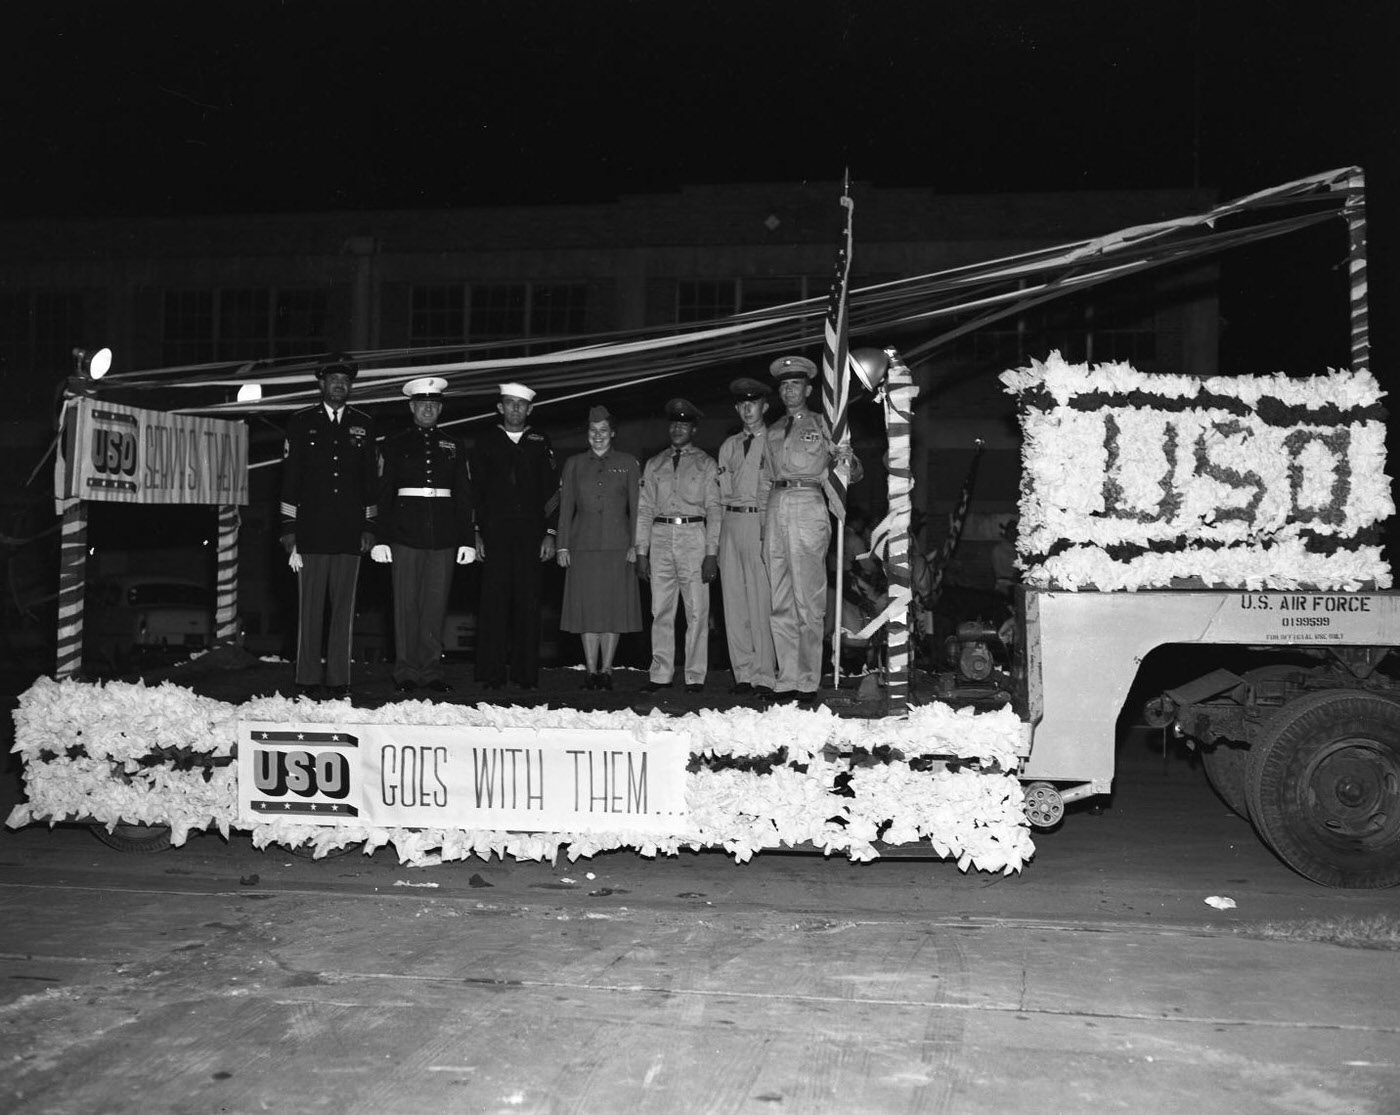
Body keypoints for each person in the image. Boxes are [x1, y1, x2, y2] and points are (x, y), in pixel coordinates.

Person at [278, 355, 379, 700]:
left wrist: (369, 524)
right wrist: (289, 527)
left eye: (345, 381)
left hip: (350, 532)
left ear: (351, 386)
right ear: (321, 384)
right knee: (309, 609)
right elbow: (290, 479)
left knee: (343, 610)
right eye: (333, 379)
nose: (339, 385)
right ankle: (306, 676)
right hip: (311, 531)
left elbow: (370, 480)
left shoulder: (364, 423)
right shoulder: (301, 422)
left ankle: (338, 678)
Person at [764, 354, 862, 703]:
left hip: (808, 505)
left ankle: (807, 678)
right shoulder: (772, 430)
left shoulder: (823, 425)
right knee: (779, 599)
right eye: (784, 385)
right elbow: (765, 478)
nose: (789, 390)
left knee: (809, 599)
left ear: (808, 388)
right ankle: (786, 676)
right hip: (776, 507)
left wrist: (846, 457)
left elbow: (852, 471)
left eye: (796, 384)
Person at [370, 377, 476, 695]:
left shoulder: (454, 445)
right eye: (422, 404)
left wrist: (467, 540)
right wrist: (380, 537)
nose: (428, 409)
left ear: (440, 409)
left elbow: (464, 495)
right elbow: (383, 493)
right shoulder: (393, 444)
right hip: (403, 534)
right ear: (412, 407)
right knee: (405, 606)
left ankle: (430, 670)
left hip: (443, 535)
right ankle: (405, 671)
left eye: (434, 404)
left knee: (434, 605)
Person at [469, 382, 558, 691]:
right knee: (492, 603)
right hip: (494, 533)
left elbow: (551, 492)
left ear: (530, 409)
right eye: (510, 403)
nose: (515, 409)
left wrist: (550, 533)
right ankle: (491, 674)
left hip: (531, 535)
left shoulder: (540, 440)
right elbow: (474, 492)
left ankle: (525, 674)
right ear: (500, 407)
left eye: (521, 405)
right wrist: (476, 533)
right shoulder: (485, 441)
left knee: (528, 604)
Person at [635, 398, 720, 693]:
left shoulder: (706, 463)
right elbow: (645, 509)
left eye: (684, 424)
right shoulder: (654, 463)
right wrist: (641, 551)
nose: (677, 429)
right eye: (673, 424)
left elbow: (715, 510)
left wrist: (711, 554)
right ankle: (660, 673)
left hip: (693, 535)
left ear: (693, 430)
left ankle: (695, 675)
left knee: (697, 610)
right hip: (660, 536)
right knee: (660, 610)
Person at [556, 405, 643, 690]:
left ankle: (607, 669)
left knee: (612, 610)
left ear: (613, 433)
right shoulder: (574, 464)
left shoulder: (628, 462)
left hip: (618, 546)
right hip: (583, 546)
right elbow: (566, 506)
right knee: (588, 610)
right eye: (593, 431)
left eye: (603, 431)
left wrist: (635, 544)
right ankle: (590, 670)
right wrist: (562, 546)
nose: (598, 436)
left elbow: (637, 507)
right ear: (587, 434)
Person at [715, 376, 776, 695]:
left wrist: (769, 531)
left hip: (758, 522)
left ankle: (765, 673)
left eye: (753, 403)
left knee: (760, 600)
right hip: (730, 523)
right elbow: (720, 494)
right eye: (742, 404)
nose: (747, 409)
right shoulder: (728, 446)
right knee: (734, 602)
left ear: (765, 406)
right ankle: (743, 673)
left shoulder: (775, 440)